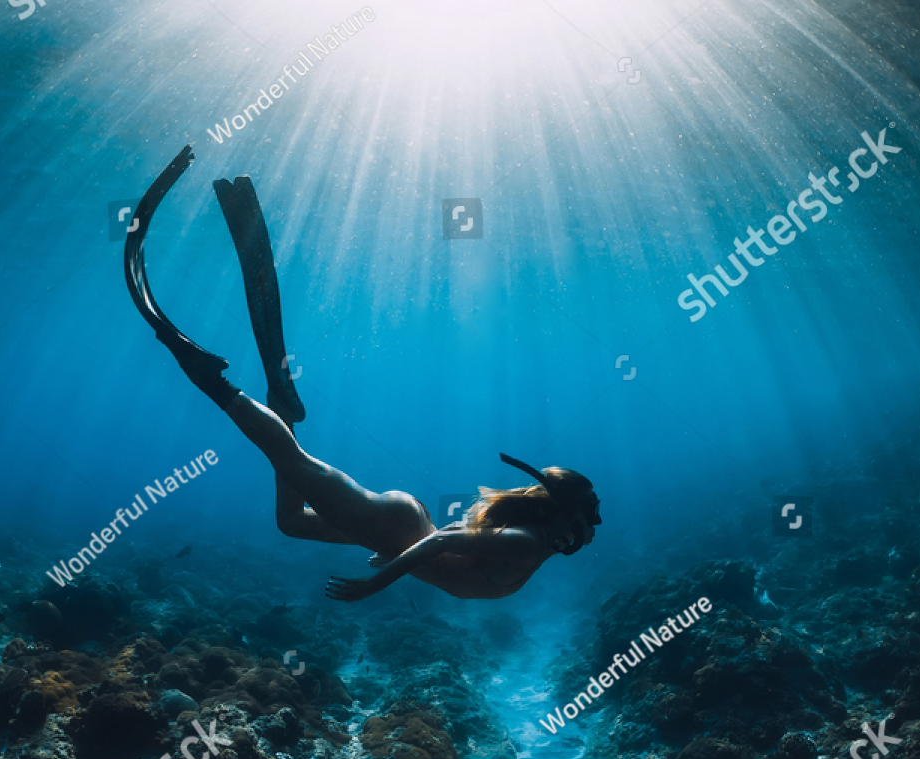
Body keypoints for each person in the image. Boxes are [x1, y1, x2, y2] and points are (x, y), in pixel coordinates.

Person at [124, 145, 601, 602]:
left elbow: (450, 539)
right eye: (585, 517)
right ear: (563, 511)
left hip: (399, 526)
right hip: (396, 526)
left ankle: (281, 401)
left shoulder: (529, 536)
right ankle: (215, 381)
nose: (585, 529)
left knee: (290, 521)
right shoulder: (526, 542)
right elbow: (438, 546)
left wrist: (397, 554)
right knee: (290, 460)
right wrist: (378, 582)